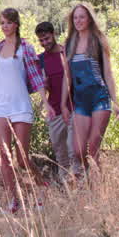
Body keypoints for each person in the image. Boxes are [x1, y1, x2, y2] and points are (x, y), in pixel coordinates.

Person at [0, 8, 48, 213]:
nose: (5, 26)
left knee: (22, 158)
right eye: (2, 23)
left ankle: (42, 188)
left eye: (8, 22)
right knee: (5, 157)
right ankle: (13, 201)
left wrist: (46, 103)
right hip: (0, 107)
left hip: (20, 106)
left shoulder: (26, 48)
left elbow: (36, 77)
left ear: (16, 24)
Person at [62, 4, 119, 179]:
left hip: (100, 98)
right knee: (79, 150)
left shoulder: (98, 40)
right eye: (75, 17)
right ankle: (90, 178)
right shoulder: (69, 43)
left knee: (93, 148)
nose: (78, 21)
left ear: (89, 19)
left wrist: (115, 102)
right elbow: (67, 76)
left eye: (82, 17)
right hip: (80, 101)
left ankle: (96, 188)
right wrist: (63, 104)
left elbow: (108, 73)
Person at [34, 21, 75, 181]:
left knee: (74, 149)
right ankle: (65, 187)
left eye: (47, 38)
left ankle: (81, 185)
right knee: (60, 153)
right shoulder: (41, 60)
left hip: (74, 108)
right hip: (55, 111)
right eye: (41, 40)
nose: (45, 43)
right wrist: (44, 86)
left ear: (54, 34)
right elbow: (39, 86)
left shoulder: (67, 53)